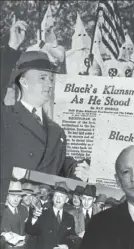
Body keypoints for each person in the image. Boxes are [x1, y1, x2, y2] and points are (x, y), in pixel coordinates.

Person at [0, 17, 90, 202]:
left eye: (51, 78)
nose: (49, 83)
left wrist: (76, 170)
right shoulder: (5, 117)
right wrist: (12, 48)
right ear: (23, 82)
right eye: (42, 78)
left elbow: (57, 172)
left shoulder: (57, 131)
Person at [25, 181, 80, 249]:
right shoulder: (42, 213)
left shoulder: (70, 218)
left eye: (62, 196)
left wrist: (67, 247)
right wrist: (34, 217)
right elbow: (30, 230)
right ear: (52, 197)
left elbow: (71, 236)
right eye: (56, 196)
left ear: (66, 199)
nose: (58, 199)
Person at [0, 181, 28, 249]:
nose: (16, 199)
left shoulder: (23, 211)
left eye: (19, 196)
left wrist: (24, 240)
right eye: (13, 195)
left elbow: (26, 231)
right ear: (7, 196)